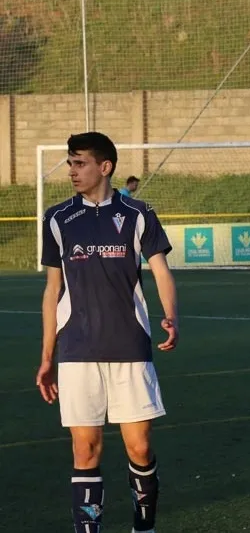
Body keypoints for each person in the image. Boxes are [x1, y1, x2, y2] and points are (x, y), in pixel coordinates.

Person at [36, 132, 179, 533]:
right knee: (85, 450)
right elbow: (52, 290)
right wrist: (48, 355)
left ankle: (143, 527)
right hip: (77, 350)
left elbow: (161, 271)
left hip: (129, 346)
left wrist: (171, 316)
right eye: (70, 163)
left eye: (79, 163)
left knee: (141, 447)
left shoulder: (139, 215)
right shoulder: (57, 219)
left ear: (105, 167)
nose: (72, 171)